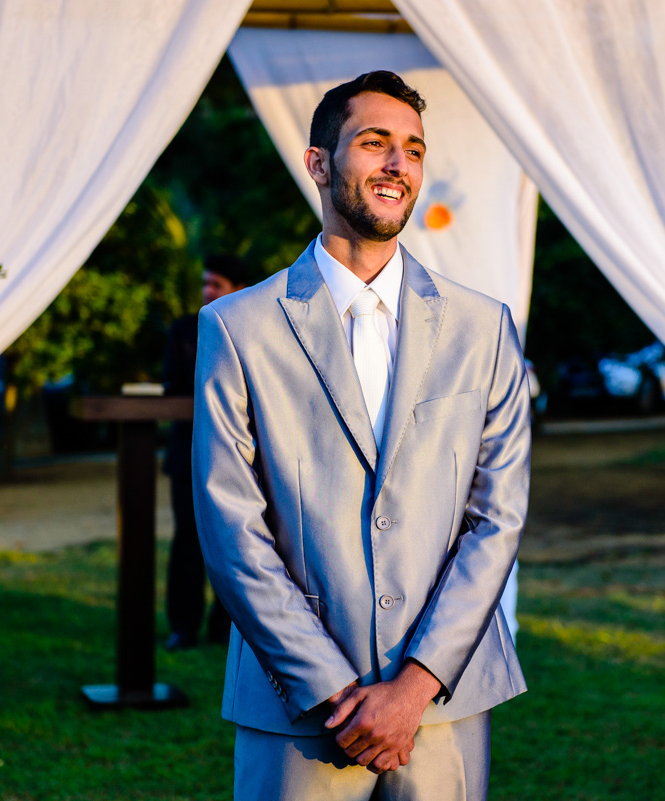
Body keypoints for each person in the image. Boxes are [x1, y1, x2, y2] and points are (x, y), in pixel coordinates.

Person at [191, 71, 530, 801]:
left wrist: (415, 684)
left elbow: (496, 517)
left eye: (412, 148)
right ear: (318, 164)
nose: (397, 164)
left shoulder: (484, 328)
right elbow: (230, 527)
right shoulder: (237, 328)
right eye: (374, 143)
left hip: (444, 707)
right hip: (299, 712)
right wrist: (331, 687)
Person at [161, 254, 249, 651]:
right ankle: (183, 625)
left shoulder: (257, 328)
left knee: (242, 542)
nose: (206, 291)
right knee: (187, 543)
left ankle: (229, 627)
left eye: (216, 284)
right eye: (205, 283)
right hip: (189, 454)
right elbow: (172, 390)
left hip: (246, 458)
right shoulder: (183, 330)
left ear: (240, 290)